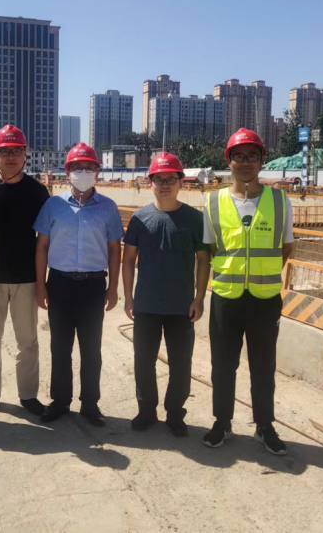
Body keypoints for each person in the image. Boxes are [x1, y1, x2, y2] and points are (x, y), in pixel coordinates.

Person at [202, 128, 294, 455]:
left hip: (265, 300)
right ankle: (222, 422)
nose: (245, 162)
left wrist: (260, 275)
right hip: (225, 298)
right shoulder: (213, 202)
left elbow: (286, 247)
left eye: (252, 156)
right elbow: (210, 249)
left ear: (262, 160)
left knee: (263, 366)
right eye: (238, 156)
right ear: (228, 161)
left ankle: (264, 426)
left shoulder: (280, 201)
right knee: (223, 365)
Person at [34, 143, 124, 427]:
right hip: (59, 284)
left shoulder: (108, 208)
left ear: (97, 171)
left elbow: (114, 250)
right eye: (77, 167)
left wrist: (113, 288)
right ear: (67, 171)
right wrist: (41, 286)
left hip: (93, 286)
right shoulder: (53, 206)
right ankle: (60, 401)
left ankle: (90, 404)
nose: (83, 172)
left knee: (91, 348)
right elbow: (41, 247)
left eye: (89, 167)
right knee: (60, 347)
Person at [122, 152, 210, 436]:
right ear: (150, 183)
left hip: (181, 306)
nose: (164, 185)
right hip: (146, 305)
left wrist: (199, 298)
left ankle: (175, 414)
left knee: (181, 364)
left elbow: (203, 260)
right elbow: (128, 259)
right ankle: (146, 411)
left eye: (170, 179)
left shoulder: (195, 219)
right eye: (158, 180)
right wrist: (128, 297)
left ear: (181, 182)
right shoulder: (140, 219)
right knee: (143, 361)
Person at [0, 125, 50, 417]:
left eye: (17, 151)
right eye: (5, 151)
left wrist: (41, 280)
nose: (11, 157)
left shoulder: (38, 192)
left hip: (27, 278)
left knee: (27, 341)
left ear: (25, 154)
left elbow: (45, 238)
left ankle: (28, 395)